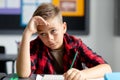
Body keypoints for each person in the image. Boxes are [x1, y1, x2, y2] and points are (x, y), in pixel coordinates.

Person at [16, 3, 112, 80]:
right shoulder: (36, 46)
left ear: (64, 28)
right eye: (43, 34)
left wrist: (82, 74)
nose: (50, 38)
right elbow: (23, 74)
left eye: (53, 31)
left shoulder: (75, 44)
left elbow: (106, 68)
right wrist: (27, 32)